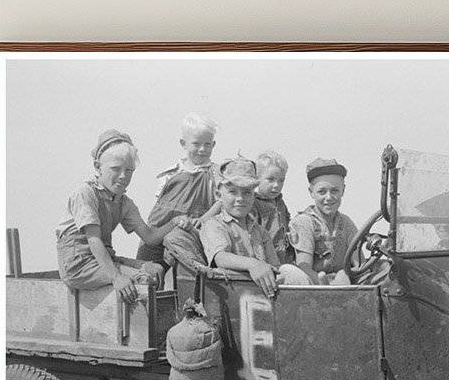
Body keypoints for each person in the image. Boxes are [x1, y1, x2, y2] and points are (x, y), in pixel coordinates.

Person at [55, 129, 192, 303]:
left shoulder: (124, 203)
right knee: (145, 279)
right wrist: (116, 277)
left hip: (103, 259)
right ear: (98, 166)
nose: (123, 177)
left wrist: (175, 222)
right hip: (78, 265)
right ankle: (141, 327)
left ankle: (156, 323)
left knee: (156, 269)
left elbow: (150, 237)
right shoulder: (85, 194)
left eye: (129, 170)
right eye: (115, 169)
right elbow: (94, 240)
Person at [198, 158, 310, 297]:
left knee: (289, 271)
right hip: (234, 293)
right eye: (233, 192)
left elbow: (275, 266)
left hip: (262, 293)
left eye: (247, 193)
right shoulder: (215, 225)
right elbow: (220, 257)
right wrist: (253, 264)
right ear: (218, 195)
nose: (240, 198)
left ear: (253, 196)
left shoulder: (260, 231)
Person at [136, 113, 221, 267]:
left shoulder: (216, 174)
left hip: (191, 232)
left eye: (207, 144)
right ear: (183, 143)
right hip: (161, 228)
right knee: (147, 271)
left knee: (187, 275)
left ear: (213, 145)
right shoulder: (171, 173)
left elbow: (220, 203)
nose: (202, 149)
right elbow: (159, 209)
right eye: (196, 144)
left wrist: (203, 220)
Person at [288, 157, 359, 284]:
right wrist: (328, 285)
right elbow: (304, 268)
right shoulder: (304, 223)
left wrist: (346, 275)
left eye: (335, 191)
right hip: (315, 287)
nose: (329, 197)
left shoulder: (346, 223)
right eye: (322, 192)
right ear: (311, 192)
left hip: (344, 285)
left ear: (343, 190)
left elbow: (359, 264)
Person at [252, 150, 293, 263]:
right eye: (270, 180)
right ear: (257, 178)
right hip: (264, 259)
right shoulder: (253, 204)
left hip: (282, 257)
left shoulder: (280, 203)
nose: (276, 185)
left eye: (281, 181)